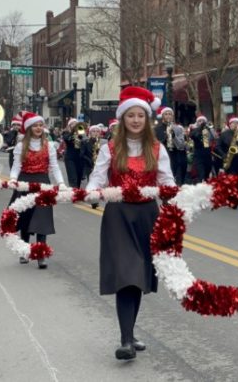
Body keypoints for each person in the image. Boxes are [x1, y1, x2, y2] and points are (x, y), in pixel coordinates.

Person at [86, 86, 175, 360]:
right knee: (127, 275)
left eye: (141, 116)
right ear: (123, 119)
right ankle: (126, 340)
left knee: (138, 278)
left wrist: (174, 198)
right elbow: (97, 178)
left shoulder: (157, 149)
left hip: (147, 215)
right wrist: (92, 192)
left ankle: (130, 332)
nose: (136, 120)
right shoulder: (109, 148)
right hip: (118, 217)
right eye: (131, 115)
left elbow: (167, 180)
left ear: (147, 120)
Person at [9, 112, 66, 269]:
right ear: (29, 128)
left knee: (42, 218)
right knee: (25, 217)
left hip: (43, 182)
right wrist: (13, 179)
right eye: (35, 125)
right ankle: (25, 250)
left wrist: (61, 183)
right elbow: (16, 167)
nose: (39, 128)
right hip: (25, 182)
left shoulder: (49, 146)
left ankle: (41, 253)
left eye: (41, 125)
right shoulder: (21, 146)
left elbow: (55, 167)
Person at [189, 115, 215, 183]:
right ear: (197, 123)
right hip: (198, 155)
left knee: (207, 173)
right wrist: (200, 128)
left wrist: (210, 129)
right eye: (199, 121)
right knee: (201, 174)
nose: (201, 122)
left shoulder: (207, 130)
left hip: (207, 155)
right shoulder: (195, 130)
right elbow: (193, 136)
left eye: (203, 121)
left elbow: (213, 138)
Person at [62, 118, 86, 188]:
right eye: (73, 123)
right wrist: (73, 132)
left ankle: (77, 194)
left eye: (76, 123)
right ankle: (73, 194)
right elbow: (67, 139)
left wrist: (80, 130)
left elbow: (85, 139)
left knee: (79, 178)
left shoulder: (80, 132)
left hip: (80, 158)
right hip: (70, 158)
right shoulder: (66, 133)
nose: (75, 125)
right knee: (73, 179)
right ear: (69, 125)